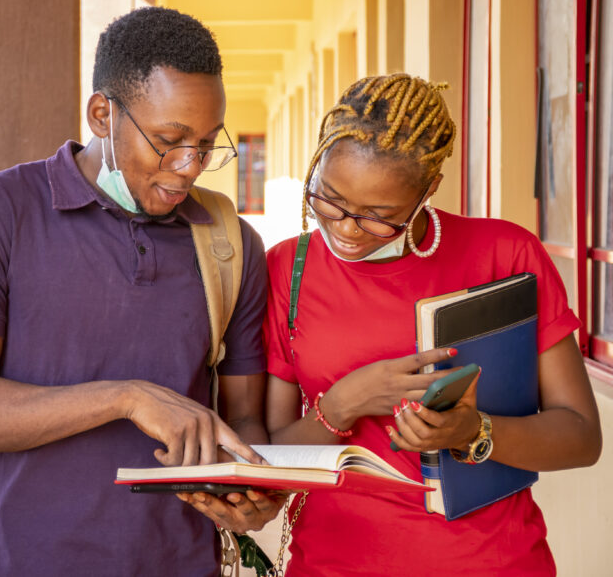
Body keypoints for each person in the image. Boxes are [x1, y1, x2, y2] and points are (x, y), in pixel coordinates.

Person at [0, 6, 282, 576]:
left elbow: (245, 420)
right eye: (168, 140)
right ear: (102, 114)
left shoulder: (230, 243)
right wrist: (127, 398)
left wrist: (252, 491)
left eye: (207, 145)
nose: (189, 167)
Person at [243, 73, 600, 575]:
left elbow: (582, 437)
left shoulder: (504, 254)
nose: (344, 228)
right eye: (328, 198)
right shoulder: (288, 270)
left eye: (377, 216)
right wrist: (344, 404)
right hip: (332, 561)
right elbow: (271, 460)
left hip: (493, 561)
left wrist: (472, 430)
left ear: (428, 189)